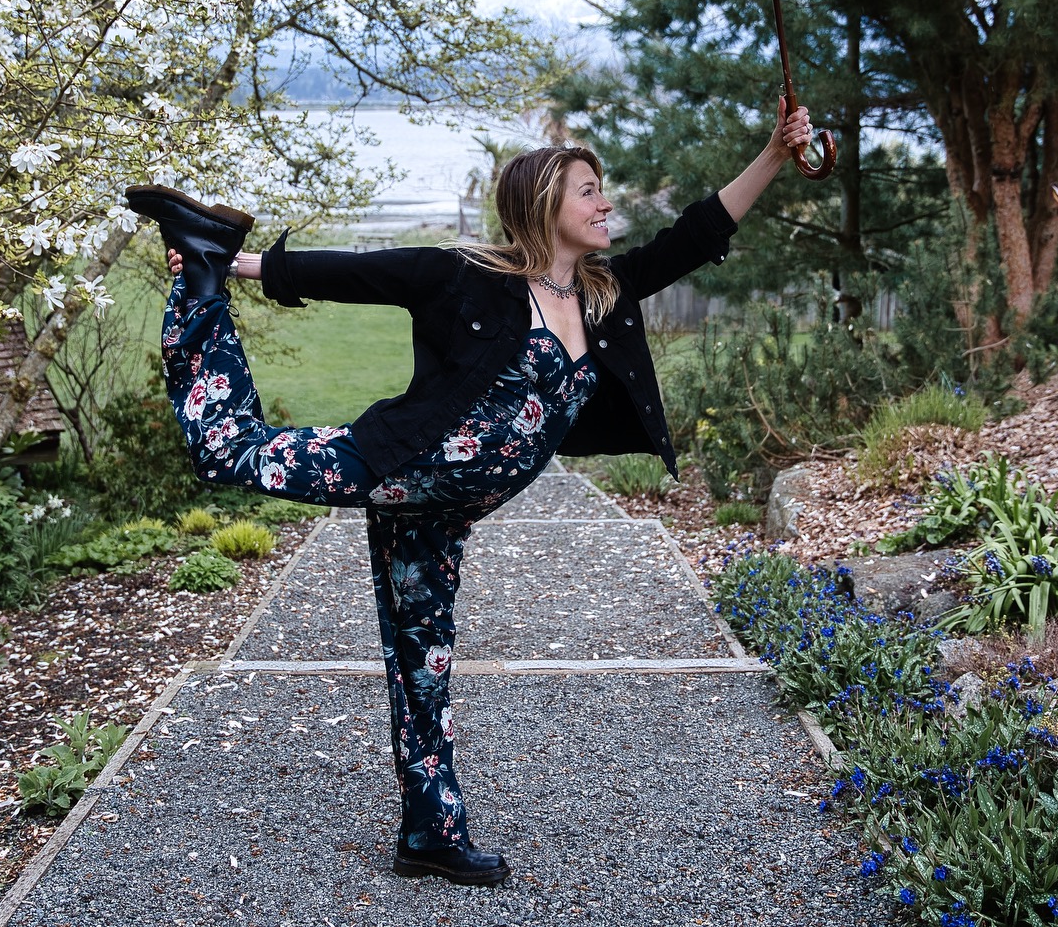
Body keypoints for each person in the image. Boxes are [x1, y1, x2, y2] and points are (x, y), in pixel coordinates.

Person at [125, 104, 815, 888]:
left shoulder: (602, 294)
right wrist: (238, 268)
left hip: (443, 512)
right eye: (588, 191)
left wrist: (771, 153)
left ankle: (431, 833)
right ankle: (201, 272)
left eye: (603, 190)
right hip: (393, 465)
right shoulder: (471, 278)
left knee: (422, 661)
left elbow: (697, 233)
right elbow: (360, 270)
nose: (605, 204)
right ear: (543, 205)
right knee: (225, 449)